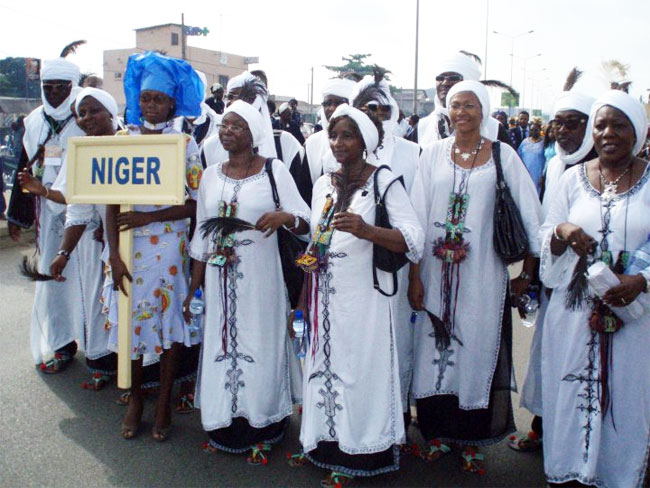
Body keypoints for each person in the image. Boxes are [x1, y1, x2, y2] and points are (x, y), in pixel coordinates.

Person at [408, 81, 542, 475]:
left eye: (469, 105)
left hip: (483, 277)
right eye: (454, 105)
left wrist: (527, 276)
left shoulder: (504, 156)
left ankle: (472, 440)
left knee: (477, 350)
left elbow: (531, 217)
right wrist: (415, 278)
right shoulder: (431, 155)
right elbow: (416, 218)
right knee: (435, 355)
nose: (461, 112)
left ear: (483, 111)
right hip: (434, 275)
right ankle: (437, 434)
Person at [292, 104, 424, 486]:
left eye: (347, 135)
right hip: (324, 298)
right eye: (333, 135)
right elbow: (314, 243)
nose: (338, 143)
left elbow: (414, 239)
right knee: (324, 369)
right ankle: (324, 444)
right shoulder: (322, 184)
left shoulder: (384, 181)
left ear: (365, 141)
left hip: (366, 299)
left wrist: (368, 231)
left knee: (360, 372)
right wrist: (303, 299)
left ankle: (362, 452)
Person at [188, 100, 310, 464]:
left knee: (261, 342)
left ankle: (263, 426)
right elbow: (200, 237)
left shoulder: (273, 171)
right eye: (224, 125)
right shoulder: (210, 175)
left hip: (262, 280)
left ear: (254, 134)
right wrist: (196, 288)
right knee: (220, 341)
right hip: (218, 278)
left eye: (236, 126)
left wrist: (284, 216)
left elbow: (305, 221)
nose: (227, 132)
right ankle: (223, 422)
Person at [539, 90, 649, 487]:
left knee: (625, 394)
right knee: (570, 391)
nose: (608, 133)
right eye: (601, 125)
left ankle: (616, 475)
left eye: (619, 125)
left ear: (638, 131)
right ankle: (569, 471)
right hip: (573, 313)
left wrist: (642, 280)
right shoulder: (572, 178)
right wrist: (563, 231)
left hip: (633, 314)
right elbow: (546, 235)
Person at [103, 51, 204, 440]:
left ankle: (163, 402)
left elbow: (196, 202)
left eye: (158, 99)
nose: (150, 105)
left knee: (167, 326)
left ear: (172, 103)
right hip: (127, 249)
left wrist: (151, 217)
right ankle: (136, 400)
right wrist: (113, 253)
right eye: (145, 98)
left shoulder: (184, 144)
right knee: (129, 325)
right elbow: (108, 201)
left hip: (169, 251)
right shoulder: (122, 140)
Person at [513, 90, 597, 452]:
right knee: (553, 357)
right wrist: (532, 272)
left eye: (573, 123)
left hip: (595, 286)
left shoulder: (605, 164)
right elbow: (544, 224)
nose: (563, 131)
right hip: (554, 275)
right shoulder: (554, 164)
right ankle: (547, 433)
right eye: (557, 123)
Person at [23, 88, 120, 389]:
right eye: (82, 113)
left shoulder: (131, 143)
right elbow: (76, 203)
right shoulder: (81, 151)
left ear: (111, 112)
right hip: (94, 244)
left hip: (133, 242)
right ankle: (103, 364)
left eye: (94, 110)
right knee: (97, 301)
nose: (87, 118)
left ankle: (138, 377)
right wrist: (63, 253)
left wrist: (116, 229)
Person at [351, 72, 421, 442]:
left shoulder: (410, 153)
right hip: (351, 278)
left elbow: (417, 224)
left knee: (396, 349)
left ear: (389, 111)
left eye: (378, 107)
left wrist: (415, 277)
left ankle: (396, 426)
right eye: (364, 107)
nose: (372, 113)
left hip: (392, 270)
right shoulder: (341, 154)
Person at [11, 55, 85, 372]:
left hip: (85, 215)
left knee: (88, 282)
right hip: (48, 212)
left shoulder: (88, 114)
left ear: (73, 86)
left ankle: (101, 352)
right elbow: (23, 166)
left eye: (61, 87)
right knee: (54, 281)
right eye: (48, 86)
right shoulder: (34, 121)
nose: (54, 92)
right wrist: (18, 214)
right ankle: (61, 344)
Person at [416, 51, 482, 145]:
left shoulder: (494, 129)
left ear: (469, 82)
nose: (445, 82)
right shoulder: (422, 127)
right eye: (440, 78)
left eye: (454, 78)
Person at [303, 77, 356, 187]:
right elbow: (305, 190)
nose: (331, 108)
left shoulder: (362, 142)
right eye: (327, 103)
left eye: (339, 103)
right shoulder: (312, 143)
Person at [518, 119, 546, 195]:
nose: (533, 132)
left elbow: (546, 160)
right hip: (525, 173)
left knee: (535, 195)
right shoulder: (524, 142)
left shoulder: (543, 143)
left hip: (537, 175)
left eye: (536, 130)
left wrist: (542, 176)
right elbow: (518, 158)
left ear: (540, 130)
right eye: (531, 130)